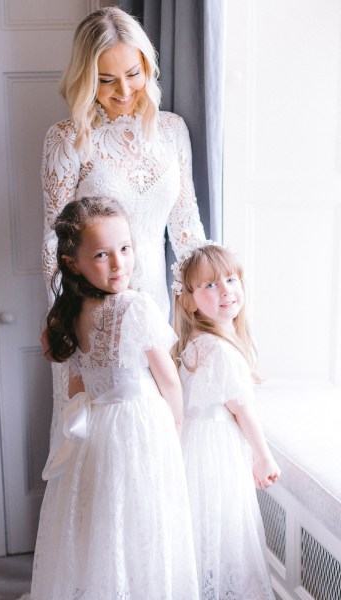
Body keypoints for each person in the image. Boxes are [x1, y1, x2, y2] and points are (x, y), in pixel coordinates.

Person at [41, 5, 205, 495]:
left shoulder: (172, 130)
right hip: (95, 318)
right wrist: (68, 324)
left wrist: (205, 318)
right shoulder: (67, 139)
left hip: (159, 311)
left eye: (133, 74)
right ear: (85, 79)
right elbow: (53, 244)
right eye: (106, 80)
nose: (123, 91)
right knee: (106, 455)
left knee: (160, 444)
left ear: (148, 67)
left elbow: (188, 228)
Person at [30, 196, 199, 600]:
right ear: (74, 263)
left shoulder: (69, 311)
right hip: (140, 426)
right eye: (102, 254)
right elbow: (169, 382)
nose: (119, 263)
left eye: (125, 249)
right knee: (141, 522)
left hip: (95, 431)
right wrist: (173, 432)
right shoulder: (135, 306)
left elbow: (76, 388)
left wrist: (78, 438)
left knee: (102, 524)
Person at [171, 239, 281, 600]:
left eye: (231, 280)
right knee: (224, 521)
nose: (225, 291)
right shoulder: (219, 348)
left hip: (196, 443)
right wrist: (263, 456)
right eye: (210, 285)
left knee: (203, 522)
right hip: (215, 448)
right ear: (188, 300)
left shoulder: (199, 341)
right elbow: (242, 408)